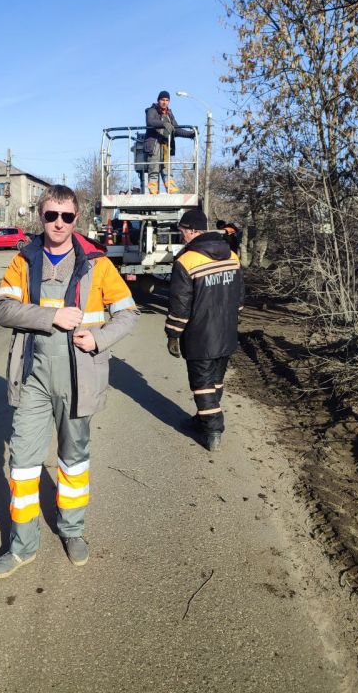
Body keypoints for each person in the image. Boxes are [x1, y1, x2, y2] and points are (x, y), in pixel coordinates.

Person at [0, 184, 139, 578]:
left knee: (73, 462)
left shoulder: (98, 263)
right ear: (40, 216)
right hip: (33, 381)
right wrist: (48, 316)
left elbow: (128, 313)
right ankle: (23, 547)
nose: (58, 223)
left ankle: (72, 531)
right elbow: (3, 309)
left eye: (66, 216)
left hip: (78, 380)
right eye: (51, 215)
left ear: (77, 219)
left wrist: (100, 337)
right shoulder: (24, 261)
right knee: (22, 465)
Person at [165, 208, 244, 452]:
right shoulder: (232, 256)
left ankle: (212, 429)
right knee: (215, 381)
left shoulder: (186, 261)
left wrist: (173, 334)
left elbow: (180, 303)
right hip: (227, 331)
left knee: (202, 383)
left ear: (190, 231)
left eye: (182, 232)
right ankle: (202, 418)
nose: (181, 237)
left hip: (200, 335)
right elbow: (240, 296)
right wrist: (233, 317)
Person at [144, 90, 181, 195]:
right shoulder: (152, 110)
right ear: (158, 100)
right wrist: (164, 124)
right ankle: (153, 193)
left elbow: (177, 129)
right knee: (154, 171)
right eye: (162, 100)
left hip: (165, 147)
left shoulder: (169, 114)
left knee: (167, 171)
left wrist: (191, 134)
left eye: (167, 100)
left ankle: (172, 193)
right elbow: (150, 121)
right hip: (154, 147)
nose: (165, 102)